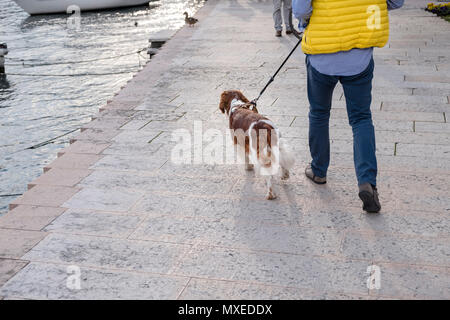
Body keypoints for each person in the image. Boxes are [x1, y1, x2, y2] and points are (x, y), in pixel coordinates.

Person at [292, 0, 404, 213]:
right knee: (361, 119)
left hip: (321, 56)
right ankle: (367, 182)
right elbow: (396, 2)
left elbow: (300, 10)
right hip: (359, 56)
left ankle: (318, 170)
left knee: (319, 113)